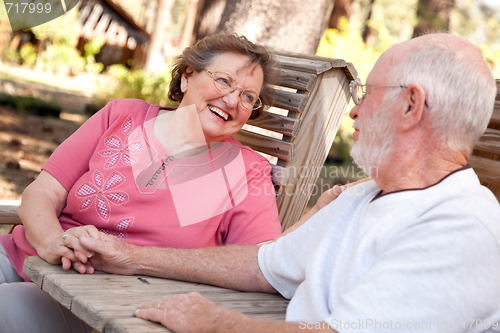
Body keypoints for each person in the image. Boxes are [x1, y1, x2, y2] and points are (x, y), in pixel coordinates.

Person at [76, 33, 499, 332]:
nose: (354, 113)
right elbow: (262, 265)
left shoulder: (462, 228)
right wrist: (131, 256)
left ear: (411, 105)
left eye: (367, 95)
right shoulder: (364, 198)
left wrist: (218, 324)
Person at [0, 33, 293, 332]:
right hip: (23, 254)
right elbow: (43, 191)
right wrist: (52, 242)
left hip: (91, 298)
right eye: (224, 81)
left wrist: (135, 258)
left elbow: (260, 266)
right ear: (186, 77)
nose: (232, 100)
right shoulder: (123, 114)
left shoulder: (246, 172)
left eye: (247, 96)